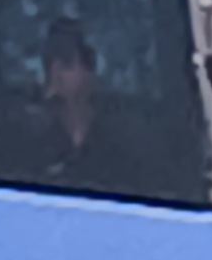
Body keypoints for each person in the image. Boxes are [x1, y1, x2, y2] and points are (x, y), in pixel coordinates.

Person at [14, 18, 139, 200]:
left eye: (66, 61)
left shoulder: (120, 139)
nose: (56, 73)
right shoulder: (30, 141)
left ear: (89, 68)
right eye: (49, 63)